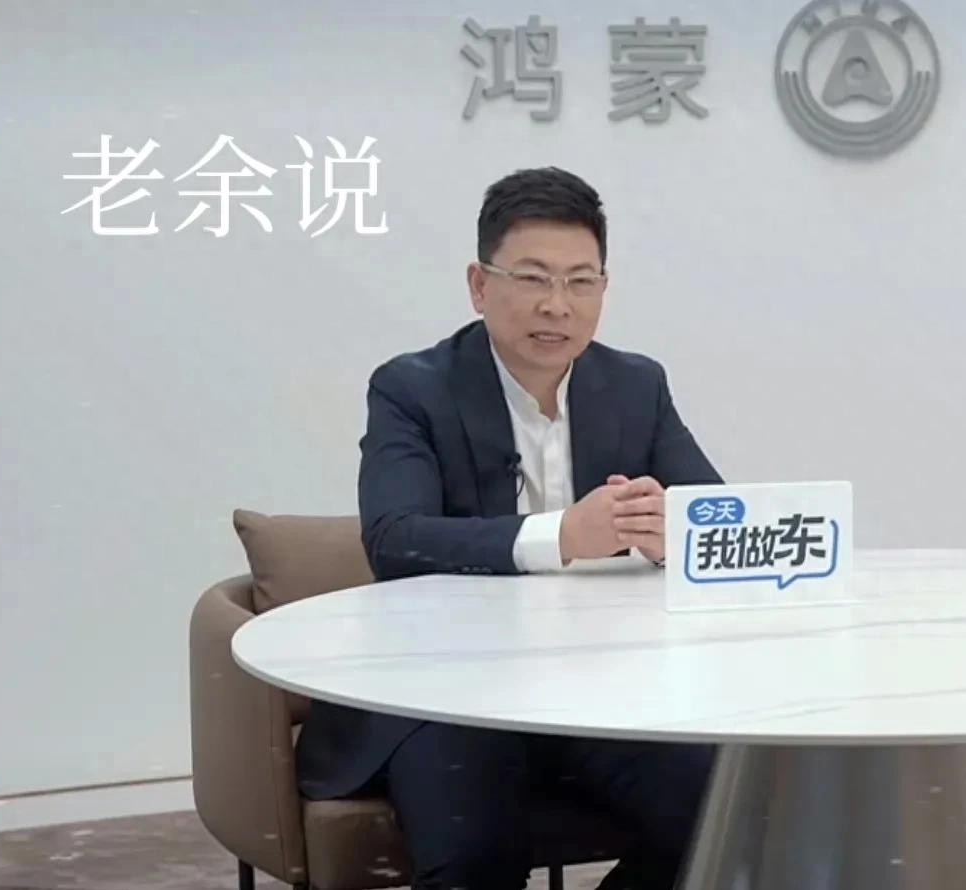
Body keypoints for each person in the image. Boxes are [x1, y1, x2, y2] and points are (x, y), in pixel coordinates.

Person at [295, 167, 721, 890]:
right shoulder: (413, 388)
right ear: (479, 285)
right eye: (532, 278)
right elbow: (396, 540)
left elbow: (716, 521)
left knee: (730, 813)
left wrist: (669, 532)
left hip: (600, 685)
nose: (558, 305)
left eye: (581, 282)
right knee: (473, 855)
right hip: (446, 691)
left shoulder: (636, 385)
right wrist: (562, 537)